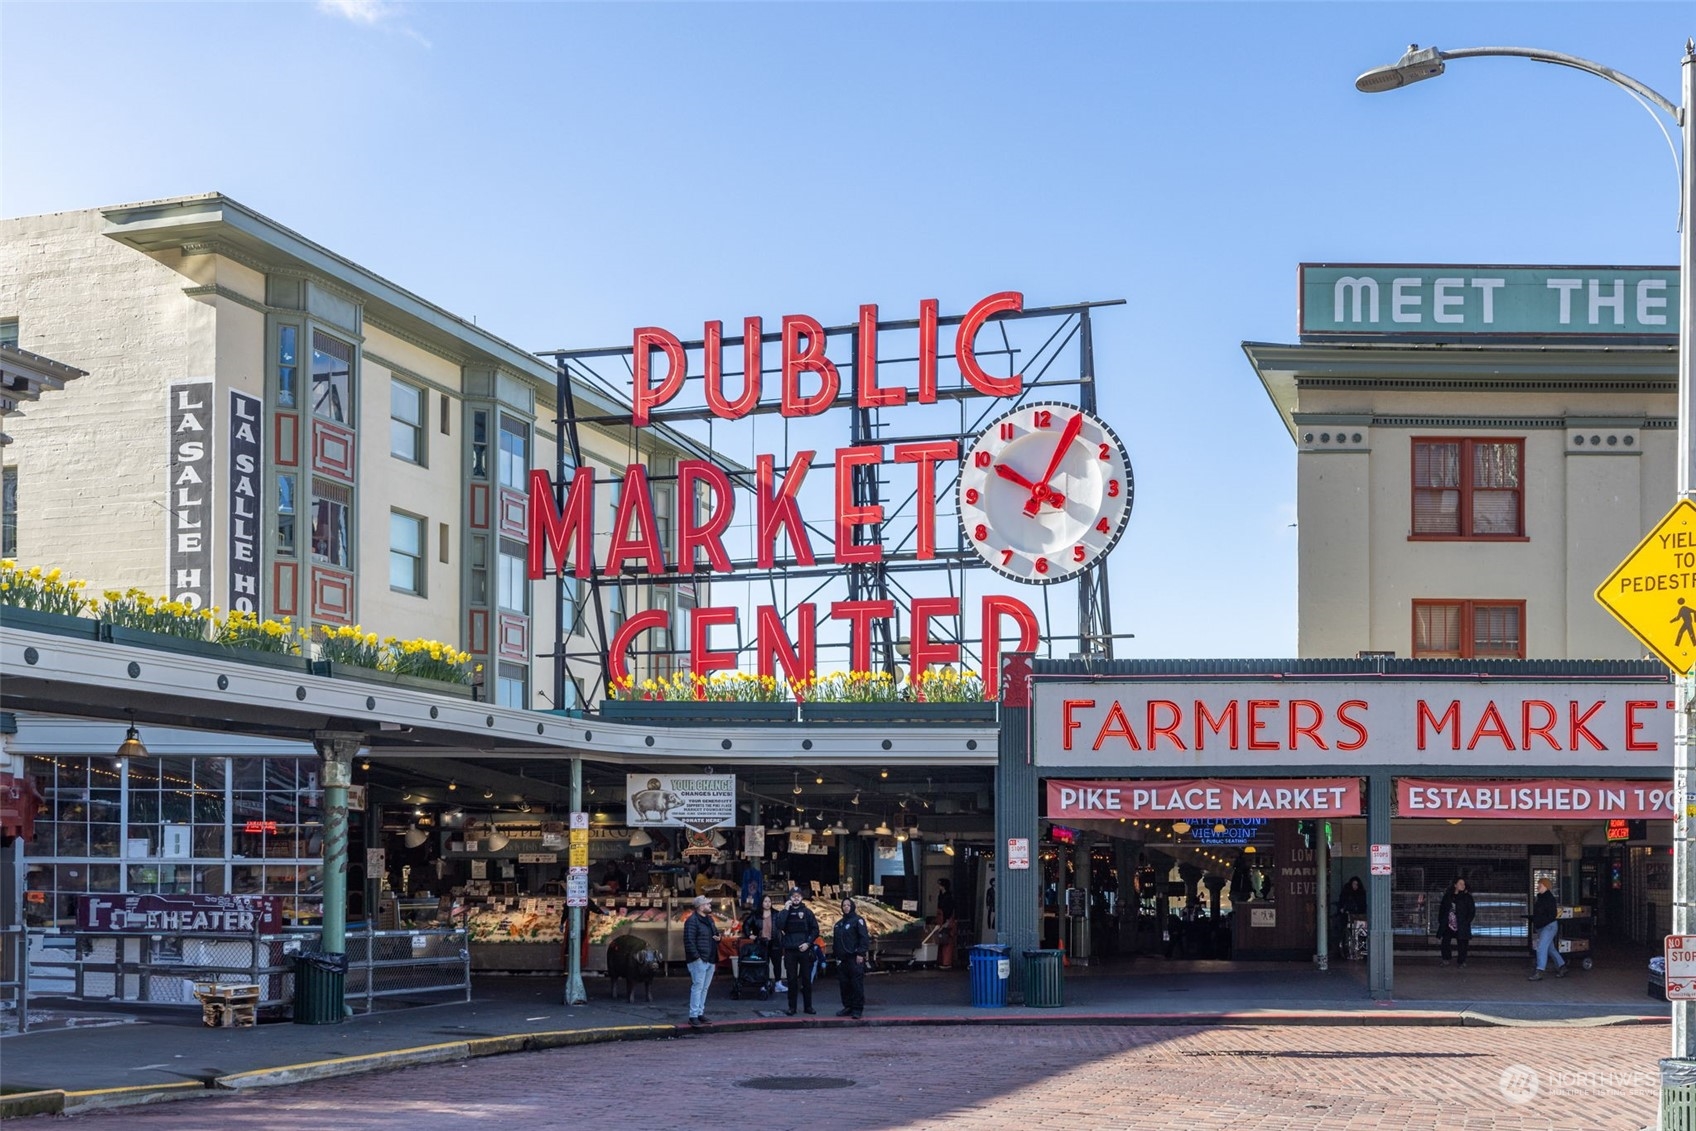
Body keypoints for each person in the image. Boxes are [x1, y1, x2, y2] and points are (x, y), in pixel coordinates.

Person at [776, 886, 820, 1015]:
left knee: (806, 980)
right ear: (789, 897)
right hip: (790, 949)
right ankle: (792, 1007)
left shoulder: (807, 912)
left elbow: (815, 930)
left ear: (801, 897)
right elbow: (779, 925)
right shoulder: (785, 911)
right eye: (793, 896)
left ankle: (808, 1007)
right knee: (791, 980)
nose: (796, 898)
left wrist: (808, 943)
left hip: (804, 950)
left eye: (798, 896)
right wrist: (785, 909)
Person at [682, 894, 721, 1027]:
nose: (710, 905)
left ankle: (699, 1013)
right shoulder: (692, 921)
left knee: (704, 987)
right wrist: (697, 957)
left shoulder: (709, 920)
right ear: (700, 907)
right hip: (700, 959)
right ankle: (693, 1015)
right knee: (698, 986)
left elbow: (716, 933)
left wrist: (718, 937)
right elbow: (689, 941)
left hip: (710, 958)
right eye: (707, 904)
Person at [833, 897, 871, 1018]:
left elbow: (864, 938)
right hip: (842, 959)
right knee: (844, 984)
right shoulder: (839, 924)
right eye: (844, 905)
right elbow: (836, 941)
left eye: (848, 905)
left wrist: (861, 953)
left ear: (852, 906)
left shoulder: (858, 921)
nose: (846, 907)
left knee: (856, 984)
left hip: (854, 957)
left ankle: (857, 1008)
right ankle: (847, 1006)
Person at [1529, 878, 1568, 981]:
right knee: (1550, 949)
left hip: (1548, 926)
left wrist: (1539, 921)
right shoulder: (1543, 897)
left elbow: (1552, 915)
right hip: (1545, 926)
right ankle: (1562, 966)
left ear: (1546, 886)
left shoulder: (1548, 899)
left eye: (1540, 885)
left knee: (1541, 947)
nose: (1538, 887)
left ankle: (1540, 970)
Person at [1437, 877, 1475, 968]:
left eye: (1464, 884)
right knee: (1445, 941)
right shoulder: (1448, 896)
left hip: (1461, 923)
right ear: (1455, 885)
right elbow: (1442, 909)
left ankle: (1461, 961)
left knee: (1462, 943)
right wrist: (1441, 920)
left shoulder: (1467, 897)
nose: (1463, 885)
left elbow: (1471, 911)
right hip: (1448, 923)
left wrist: (1466, 921)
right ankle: (1446, 958)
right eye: (1460, 883)